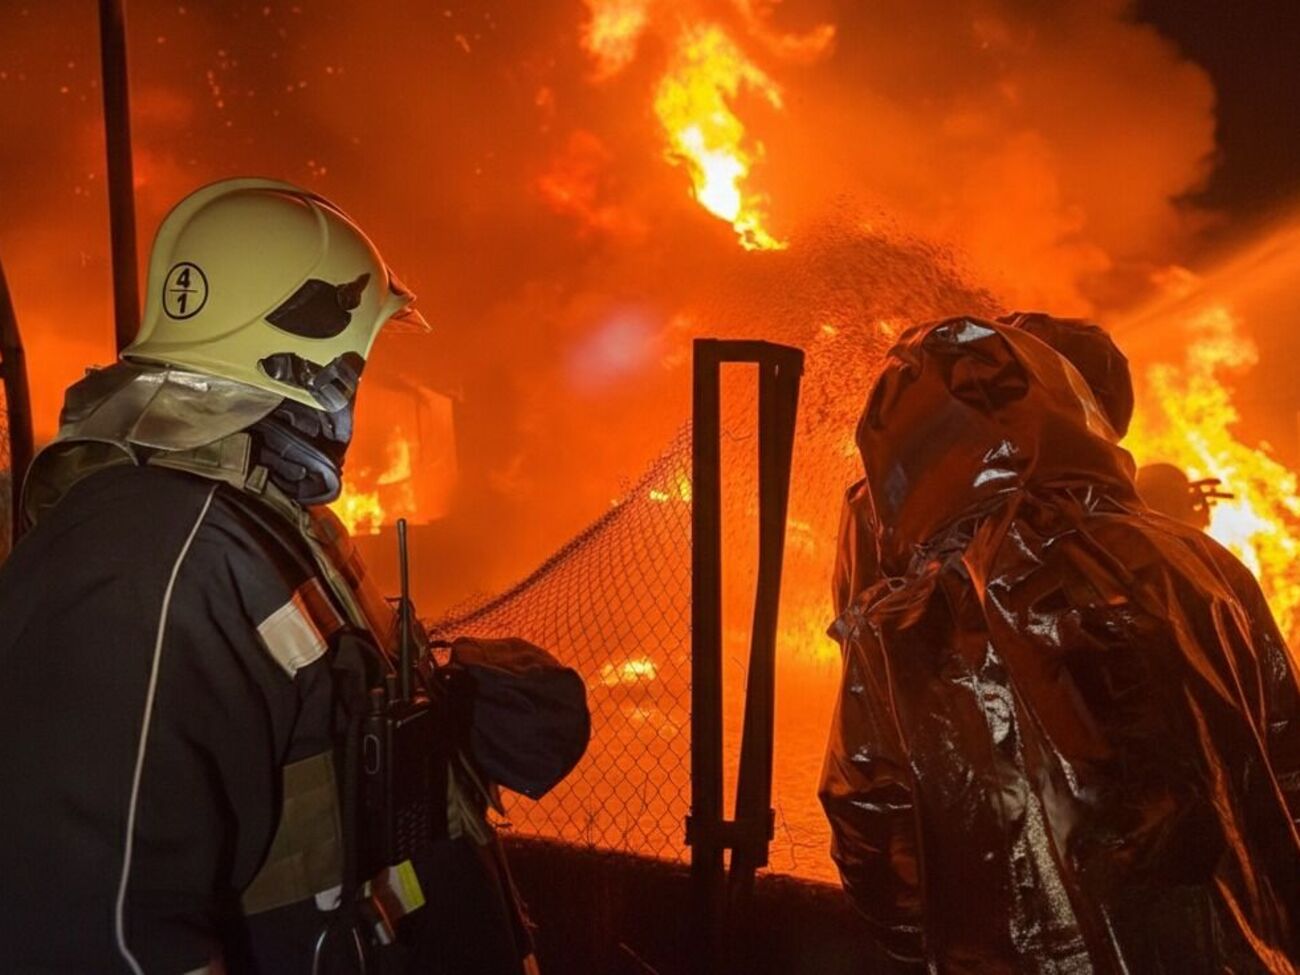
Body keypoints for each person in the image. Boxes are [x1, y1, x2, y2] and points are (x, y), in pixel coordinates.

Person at [0, 178, 538, 974]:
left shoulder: (245, 522)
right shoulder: (139, 561)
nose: (360, 393)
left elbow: (300, 733)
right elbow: (93, 934)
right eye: (357, 363)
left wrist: (450, 706)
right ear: (305, 365)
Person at [820, 314, 1300, 972]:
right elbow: (1287, 761)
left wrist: (949, 943)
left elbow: (873, 828)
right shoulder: (1203, 566)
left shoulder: (898, 624)